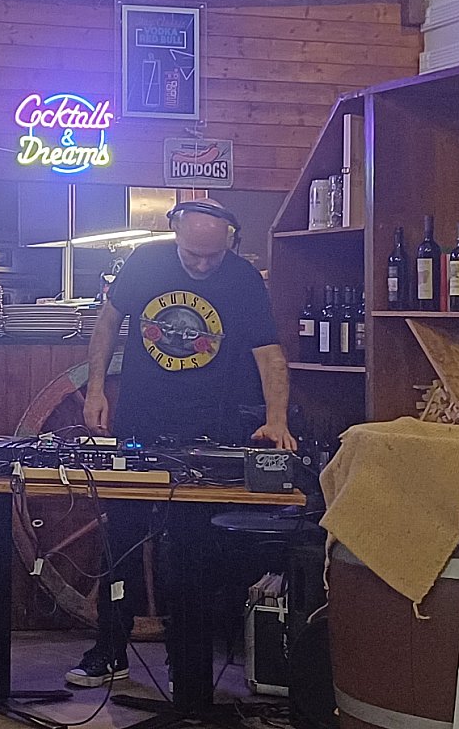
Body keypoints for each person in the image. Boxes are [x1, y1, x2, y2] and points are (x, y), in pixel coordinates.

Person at [67, 198, 295, 689]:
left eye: (213, 256)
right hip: (139, 422)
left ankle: (184, 662)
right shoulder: (146, 262)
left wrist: (276, 419)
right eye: (193, 254)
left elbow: (270, 354)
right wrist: (96, 390)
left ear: (231, 241)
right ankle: (110, 649)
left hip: (208, 433)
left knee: (191, 550)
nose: (202, 265)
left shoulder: (243, 279)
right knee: (121, 540)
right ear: (175, 233)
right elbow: (107, 322)